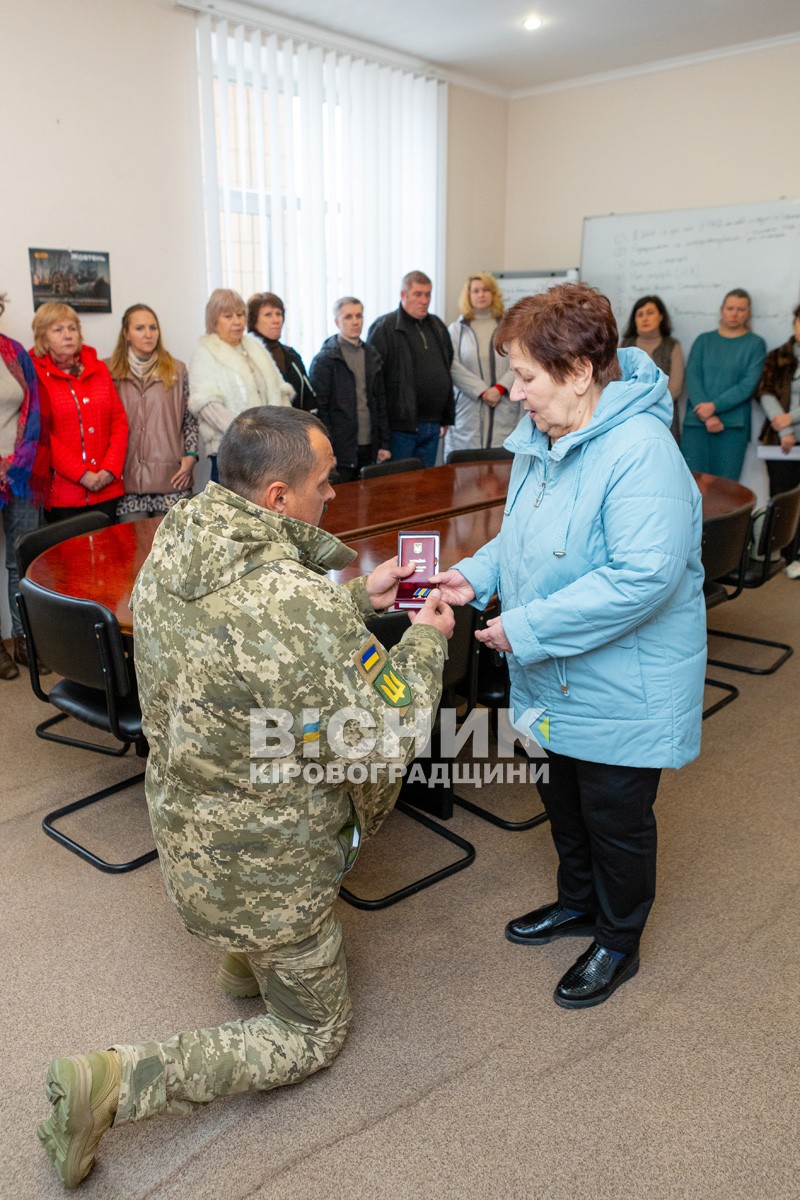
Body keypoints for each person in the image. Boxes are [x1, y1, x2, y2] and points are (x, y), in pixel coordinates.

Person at [36, 405, 455, 1190]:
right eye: (324, 483)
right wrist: (425, 639)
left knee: (259, 759)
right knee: (313, 1031)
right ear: (276, 497)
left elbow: (253, 636)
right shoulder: (285, 602)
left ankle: (242, 965)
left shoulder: (179, 542)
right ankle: (116, 1082)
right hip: (271, 862)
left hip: (190, 836)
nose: (333, 494)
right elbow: (375, 737)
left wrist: (359, 597)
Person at [430, 283, 706, 1009]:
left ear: (579, 372)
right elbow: (519, 539)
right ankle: (577, 904)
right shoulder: (542, 441)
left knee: (615, 820)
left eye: (526, 375)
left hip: (622, 683)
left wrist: (527, 627)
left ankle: (619, 938)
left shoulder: (640, 450)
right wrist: (470, 574)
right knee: (565, 801)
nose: (515, 391)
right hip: (556, 675)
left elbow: (643, 577)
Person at [30, 303, 128, 524]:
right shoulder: (35, 374)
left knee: (112, 556)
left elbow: (119, 421)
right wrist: (82, 475)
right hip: (63, 496)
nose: (68, 335)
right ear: (43, 339)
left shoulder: (99, 368)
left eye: (72, 328)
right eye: (58, 330)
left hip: (107, 489)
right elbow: (42, 434)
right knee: (69, 559)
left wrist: (110, 469)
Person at [189, 288, 293, 481]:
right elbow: (208, 406)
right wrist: (248, 434)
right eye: (228, 316)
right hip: (231, 451)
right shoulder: (205, 352)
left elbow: (280, 390)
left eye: (240, 314)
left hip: (270, 451)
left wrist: (282, 430)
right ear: (214, 320)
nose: (237, 321)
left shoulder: (255, 346)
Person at [106, 304, 198, 521]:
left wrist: (191, 456)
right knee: (133, 552)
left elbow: (190, 419)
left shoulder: (177, 370)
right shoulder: (109, 372)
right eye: (139, 328)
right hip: (126, 481)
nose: (148, 334)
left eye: (153, 328)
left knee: (173, 551)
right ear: (126, 334)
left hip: (172, 478)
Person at [0, 293, 50, 679]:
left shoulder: (14, 353)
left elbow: (34, 409)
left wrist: (15, 462)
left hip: (20, 472)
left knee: (22, 560)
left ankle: (24, 639)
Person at [367, 270, 454, 468]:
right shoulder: (384, 327)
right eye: (418, 294)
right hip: (400, 429)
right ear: (403, 295)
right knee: (401, 488)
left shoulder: (437, 325)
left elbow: (447, 367)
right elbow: (375, 382)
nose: (424, 300)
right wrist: (382, 434)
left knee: (427, 486)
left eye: (428, 294)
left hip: (433, 425)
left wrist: (445, 416)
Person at [681, 288, 766, 481]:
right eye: (730, 308)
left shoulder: (755, 344)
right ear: (722, 310)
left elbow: (747, 385)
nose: (735, 313)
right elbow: (693, 377)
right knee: (692, 485)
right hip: (697, 424)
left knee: (726, 490)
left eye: (741, 309)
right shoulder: (703, 341)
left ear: (748, 313)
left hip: (732, 427)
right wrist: (707, 413)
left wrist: (714, 407)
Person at [309, 296, 392, 481]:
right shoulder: (325, 360)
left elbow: (381, 402)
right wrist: (327, 449)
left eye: (358, 316)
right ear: (337, 321)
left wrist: (385, 443)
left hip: (370, 445)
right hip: (341, 449)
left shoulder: (372, 356)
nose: (355, 322)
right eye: (348, 317)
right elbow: (320, 410)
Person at [444, 272, 518, 459]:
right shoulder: (456, 329)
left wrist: (500, 388)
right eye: (475, 291)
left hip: (503, 405)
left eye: (486, 290)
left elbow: (520, 360)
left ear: (494, 294)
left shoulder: (509, 327)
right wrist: (482, 391)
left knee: (500, 469)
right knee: (465, 472)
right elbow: (452, 365)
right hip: (469, 407)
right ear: (468, 296)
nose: (481, 294)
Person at [756, 304, 800, 576]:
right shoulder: (777, 356)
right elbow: (766, 392)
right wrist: (784, 429)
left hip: (789, 425)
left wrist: (791, 417)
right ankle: (788, 554)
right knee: (783, 496)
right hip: (780, 440)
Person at [619, 294, 684, 441]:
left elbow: (675, 387)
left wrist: (649, 405)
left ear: (661, 316)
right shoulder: (624, 345)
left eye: (650, 313)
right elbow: (617, 381)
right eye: (640, 314)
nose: (645, 318)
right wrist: (636, 406)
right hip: (630, 416)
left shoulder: (672, 346)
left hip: (664, 415)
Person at [247, 291, 316, 412]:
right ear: (253, 320)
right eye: (268, 315)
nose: (276, 320)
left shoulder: (291, 355)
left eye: (279, 314)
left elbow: (308, 398)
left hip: (297, 427)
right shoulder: (246, 356)